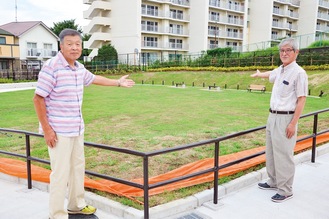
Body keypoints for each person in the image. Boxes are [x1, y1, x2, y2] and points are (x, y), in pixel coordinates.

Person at [33, 28, 135, 219]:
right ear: (61, 46)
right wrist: (47, 130)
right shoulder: (52, 67)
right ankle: (56, 215)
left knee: (77, 170)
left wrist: (117, 83)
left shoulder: (78, 68)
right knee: (60, 175)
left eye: (78, 44)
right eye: (70, 44)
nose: (74, 48)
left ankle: (76, 205)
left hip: (77, 129)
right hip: (58, 132)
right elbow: (38, 99)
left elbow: (94, 79)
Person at [250, 38, 308, 203]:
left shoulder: (298, 73)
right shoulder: (281, 70)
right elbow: (271, 74)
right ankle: (274, 181)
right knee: (271, 152)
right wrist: (260, 74)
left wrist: (292, 123)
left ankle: (285, 190)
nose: (284, 53)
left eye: (288, 50)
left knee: (283, 154)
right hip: (272, 116)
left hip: (286, 118)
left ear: (296, 52)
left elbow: (302, 99)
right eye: (282, 50)